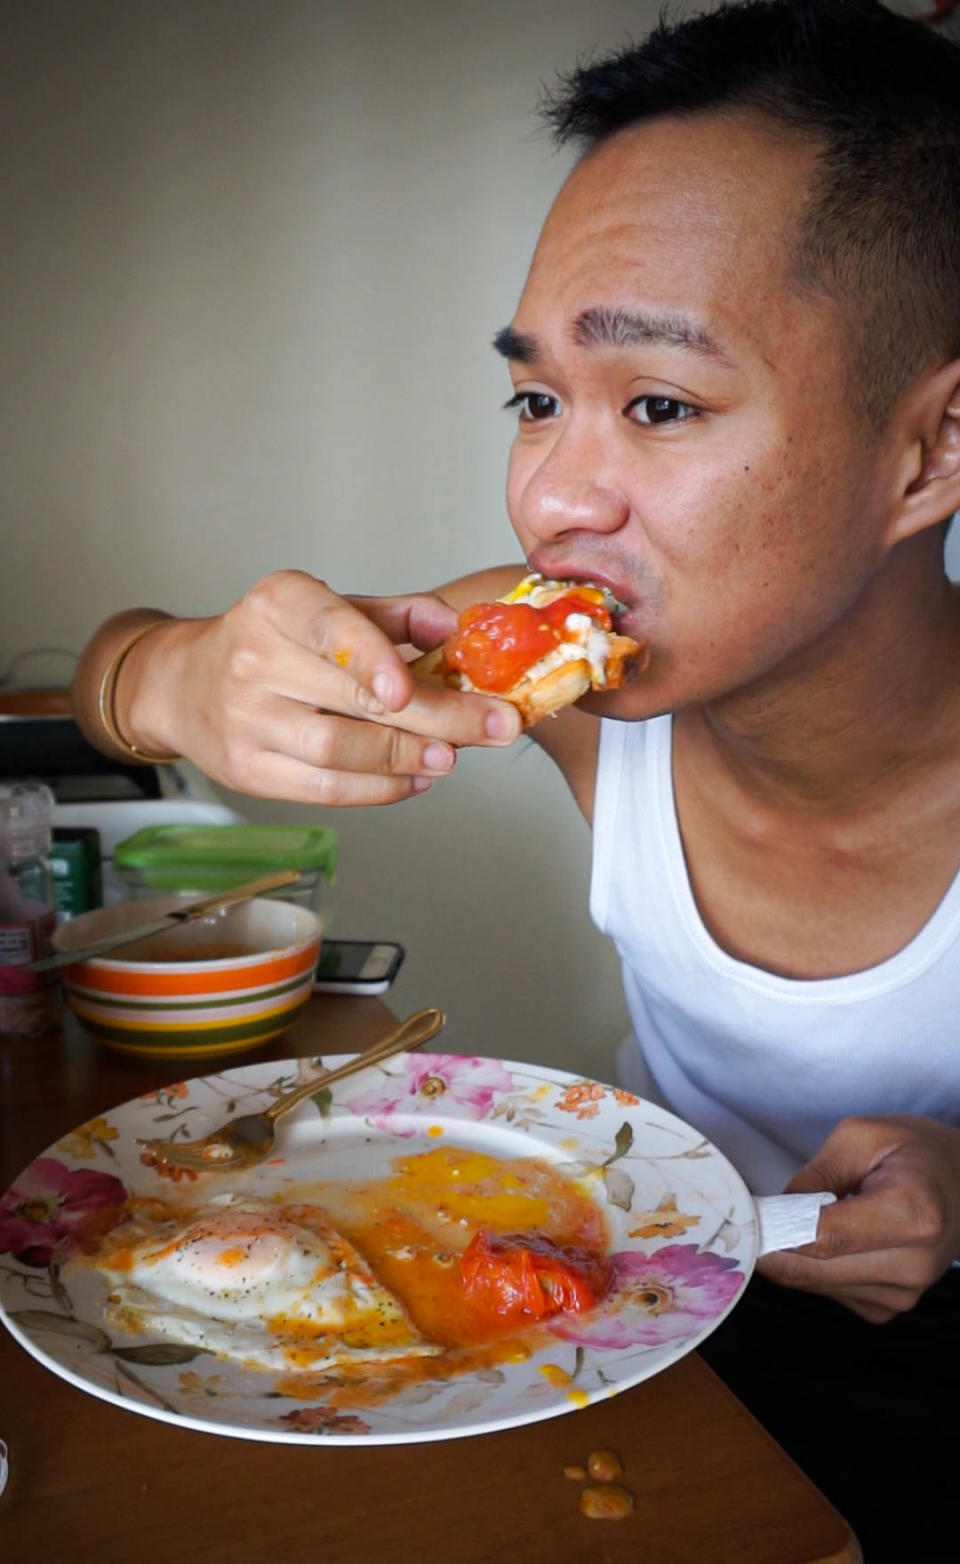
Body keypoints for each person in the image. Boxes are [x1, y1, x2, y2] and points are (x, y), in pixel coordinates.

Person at [72, 2, 960, 1555]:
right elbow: (106, 675)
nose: (553, 496)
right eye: (536, 397)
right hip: (672, 1346)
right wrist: (178, 677)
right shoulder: (567, 678)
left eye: (661, 405)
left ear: (933, 451)